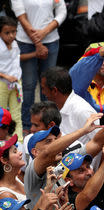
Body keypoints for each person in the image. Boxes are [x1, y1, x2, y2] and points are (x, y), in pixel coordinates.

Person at [11, 0, 67, 134]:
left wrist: (45, 31)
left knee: (49, 84)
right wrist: (38, 41)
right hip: (25, 41)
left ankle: (47, 123)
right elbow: (21, 16)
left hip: (51, 40)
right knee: (28, 85)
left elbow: (62, 11)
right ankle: (26, 125)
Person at [41, 66, 99, 144]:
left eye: (43, 88)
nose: (42, 93)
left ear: (54, 91)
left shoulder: (82, 111)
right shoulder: (56, 108)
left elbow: (102, 141)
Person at [0, 16, 22, 142]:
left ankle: (18, 141)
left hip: (16, 83)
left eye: (14, 32)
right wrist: (5, 76)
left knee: (16, 114)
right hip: (2, 83)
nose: (11, 35)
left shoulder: (15, 44)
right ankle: (2, 142)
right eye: (7, 32)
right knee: (1, 114)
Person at [0, 134, 26, 200]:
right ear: (4, 160)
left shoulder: (16, 178)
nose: (20, 153)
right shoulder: (5, 195)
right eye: (15, 151)